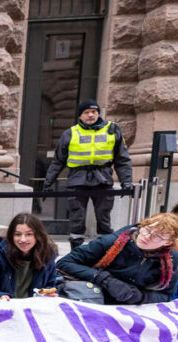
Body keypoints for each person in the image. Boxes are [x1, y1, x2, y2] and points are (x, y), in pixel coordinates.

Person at [44, 99, 133, 250]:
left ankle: (104, 253)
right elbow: (58, 161)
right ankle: (76, 253)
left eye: (94, 112)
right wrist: (48, 182)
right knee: (76, 219)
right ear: (80, 116)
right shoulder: (70, 133)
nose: (91, 115)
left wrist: (127, 182)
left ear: (98, 113)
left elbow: (122, 159)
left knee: (104, 219)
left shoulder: (112, 130)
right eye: (86, 112)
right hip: (77, 179)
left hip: (103, 178)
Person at [57, 212, 178, 305]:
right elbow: (64, 263)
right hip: (92, 298)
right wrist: (104, 279)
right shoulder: (112, 242)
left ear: (168, 243)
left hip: (129, 308)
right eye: (147, 229)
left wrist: (141, 297)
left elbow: (167, 295)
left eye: (157, 236)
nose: (146, 236)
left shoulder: (170, 259)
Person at [0, 212, 59, 303]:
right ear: (11, 236)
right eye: (18, 234)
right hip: (5, 309)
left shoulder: (47, 257)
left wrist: (49, 294)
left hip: (34, 309)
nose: (23, 239)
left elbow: (52, 286)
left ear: (38, 236)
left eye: (29, 234)